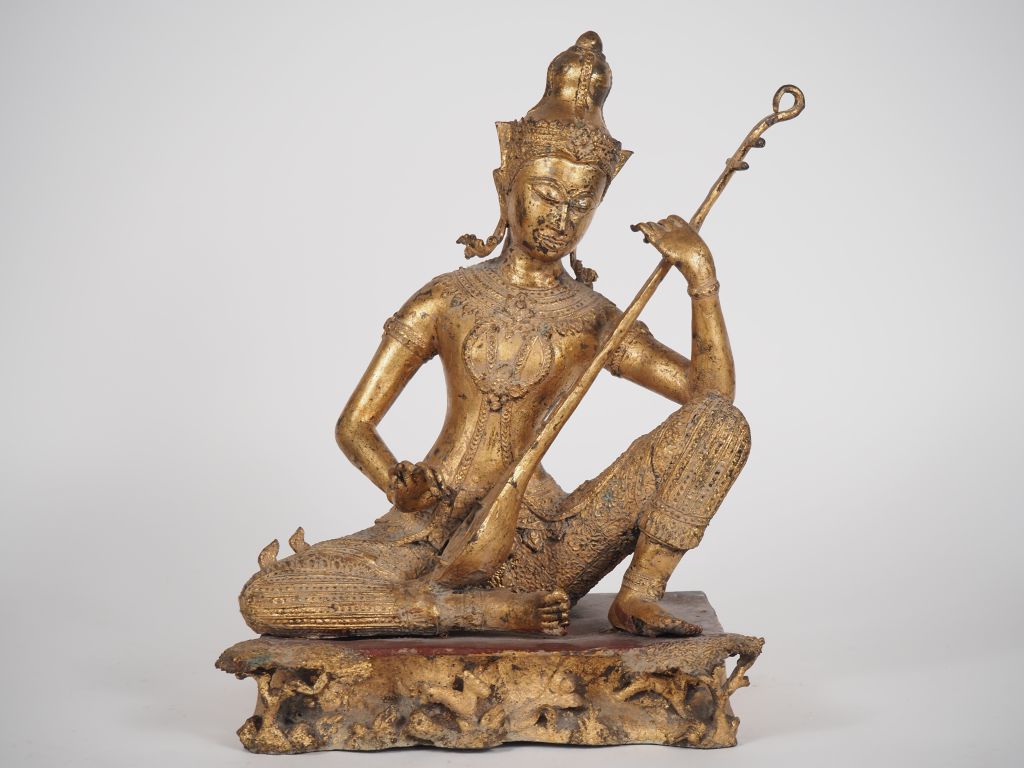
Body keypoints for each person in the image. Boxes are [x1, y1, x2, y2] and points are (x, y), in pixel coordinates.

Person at [238, 32, 750, 639]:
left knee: (724, 428)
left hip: (543, 544)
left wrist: (701, 279)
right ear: (505, 187)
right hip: (428, 536)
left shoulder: (593, 315)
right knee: (267, 598)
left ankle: (638, 595)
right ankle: (471, 612)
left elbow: (710, 398)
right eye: (546, 194)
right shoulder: (448, 297)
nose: (561, 217)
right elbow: (355, 426)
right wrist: (399, 485)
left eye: (582, 203)